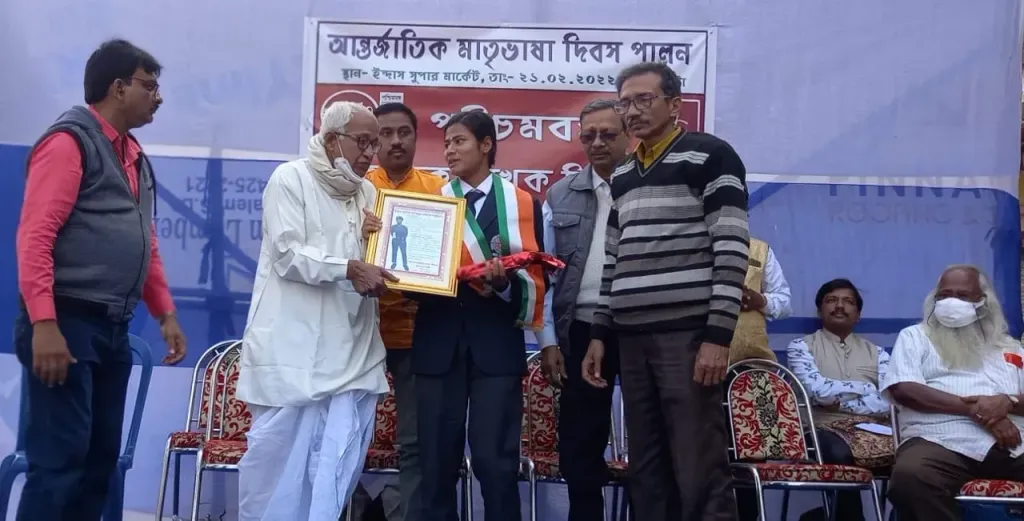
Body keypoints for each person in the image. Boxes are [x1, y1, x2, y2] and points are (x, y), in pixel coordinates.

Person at [13, 39, 187, 521]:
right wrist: (44, 324)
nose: (158, 97)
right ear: (118, 87)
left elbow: (145, 241)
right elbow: (35, 237)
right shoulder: (68, 143)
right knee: (60, 464)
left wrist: (165, 313)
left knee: (98, 465)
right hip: (66, 322)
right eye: (150, 86)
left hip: (111, 330)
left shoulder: (133, 155)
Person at [582, 62, 748, 521]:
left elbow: (731, 248)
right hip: (631, 339)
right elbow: (614, 259)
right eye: (625, 103)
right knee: (647, 470)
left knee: (699, 467)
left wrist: (717, 337)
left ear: (675, 105)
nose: (632, 111)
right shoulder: (623, 173)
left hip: (688, 338)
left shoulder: (711, 156)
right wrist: (599, 333)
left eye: (644, 99)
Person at [235, 101, 397, 521]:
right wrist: (351, 267)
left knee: (335, 474)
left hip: (352, 350)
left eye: (374, 144)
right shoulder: (290, 179)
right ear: (331, 140)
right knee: (276, 478)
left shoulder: (368, 192)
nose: (370, 154)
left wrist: (374, 253)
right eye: (362, 142)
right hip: (295, 353)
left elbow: (365, 260)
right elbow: (288, 255)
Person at [411, 110, 548, 521]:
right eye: (446, 143)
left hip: (496, 349)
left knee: (496, 465)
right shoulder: (431, 203)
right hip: (438, 346)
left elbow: (536, 280)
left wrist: (502, 286)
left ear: (486, 144)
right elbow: (414, 278)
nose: (449, 151)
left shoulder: (523, 204)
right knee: (435, 466)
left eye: (459, 141)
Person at [539, 99, 631, 521]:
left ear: (629, 136)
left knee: (652, 440)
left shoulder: (648, 188)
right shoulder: (560, 194)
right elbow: (545, 275)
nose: (597, 143)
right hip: (578, 328)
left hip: (638, 327)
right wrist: (548, 340)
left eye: (608, 134)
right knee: (580, 442)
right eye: (588, 135)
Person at [883, 265, 1024, 521]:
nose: (951, 302)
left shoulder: (1010, 347)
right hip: (940, 440)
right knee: (911, 477)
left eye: (962, 296)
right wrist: (976, 410)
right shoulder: (915, 337)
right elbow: (904, 389)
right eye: (945, 295)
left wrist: (1008, 402)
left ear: (983, 302)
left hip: (1013, 443)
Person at [365, 102, 446, 521]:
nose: (395, 141)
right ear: (373, 140)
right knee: (341, 435)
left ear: (416, 137)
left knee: (414, 443)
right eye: (385, 133)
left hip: (417, 336)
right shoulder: (356, 189)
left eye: (404, 132)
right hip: (359, 333)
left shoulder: (439, 191)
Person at [768, 279, 890, 521]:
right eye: (832, 300)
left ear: (858, 314)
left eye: (848, 302)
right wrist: (866, 388)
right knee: (840, 453)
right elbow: (819, 392)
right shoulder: (801, 347)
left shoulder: (878, 353)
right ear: (820, 310)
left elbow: (889, 400)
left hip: (873, 430)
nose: (839, 306)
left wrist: (841, 402)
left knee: (912, 457)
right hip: (819, 429)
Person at [728, 237, 792, 364]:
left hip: (751, 362)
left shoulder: (760, 250)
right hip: (698, 360)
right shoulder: (695, 245)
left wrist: (762, 301)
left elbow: (785, 303)